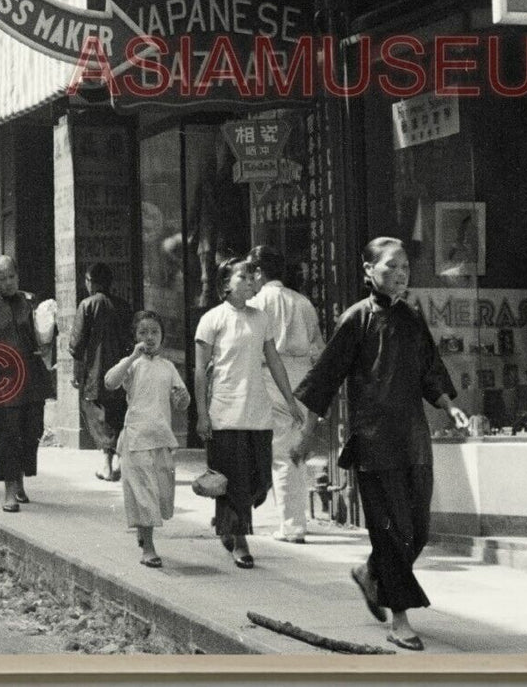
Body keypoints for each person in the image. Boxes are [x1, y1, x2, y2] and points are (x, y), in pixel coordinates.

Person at [293, 237, 469, 651]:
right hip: (374, 443)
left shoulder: (411, 318)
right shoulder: (356, 319)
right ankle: (400, 619)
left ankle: (371, 574)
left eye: (405, 266)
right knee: (392, 532)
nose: (401, 274)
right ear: (368, 270)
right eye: (391, 267)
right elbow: (325, 378)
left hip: (413, 440)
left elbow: (429, 370)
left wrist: (448, 407)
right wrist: (306, 434)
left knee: (418, 531)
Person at [193, 257, 304, 569]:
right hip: (225, 411)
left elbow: (275, 361)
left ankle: (227, 526)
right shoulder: (212, 319)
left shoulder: (261, 318)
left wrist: (291, 401)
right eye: (244, 276)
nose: (253, 281)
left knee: (258, 480)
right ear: (226, 284)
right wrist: (202, 414)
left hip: (258, 411)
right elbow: (200, 370)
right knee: (235, 479)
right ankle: (239, 538)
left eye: (254, 276)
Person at [247, 244, 325, 543]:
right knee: (295, 451)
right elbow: (319, 348)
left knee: (279, 453)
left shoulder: (257, 303)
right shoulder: (302, 302)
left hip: (271, 378)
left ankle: (292, 525)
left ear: (258, 271)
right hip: (302, 378)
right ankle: (294, 519)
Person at [104, 311, 189, 568]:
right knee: (145, 495)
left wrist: (182, 399)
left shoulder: (168, 367)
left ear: (162, 336)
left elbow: (181, 399)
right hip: (136, 439)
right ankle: (149, 548)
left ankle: (144, 534)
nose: (149, 337)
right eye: (143, 332)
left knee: (161, 496)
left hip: (161, 438)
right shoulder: (132, 365)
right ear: (135, 337)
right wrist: (132, 356)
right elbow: (109, 382)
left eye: (154, 332)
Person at [0, 255, 55, 513]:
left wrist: (47, 343)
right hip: (4, 378)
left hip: (31, 376)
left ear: (17, 276)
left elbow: (45, 333)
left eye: (12, 277)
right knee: (8, 433)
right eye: (2, 278)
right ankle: (9, 490)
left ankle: (19, 477)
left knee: (32, 431)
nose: (8, 282)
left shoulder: (30, 301)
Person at [68, 262, 133, 482]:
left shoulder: (87, 305)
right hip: (122, 371)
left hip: (96, 372)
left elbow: (77, 345)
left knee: (97, 414)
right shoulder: (124, 306)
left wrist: (76, 373)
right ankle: (120, 462)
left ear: (90, 282)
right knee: (118, 415)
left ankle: (106, 464)